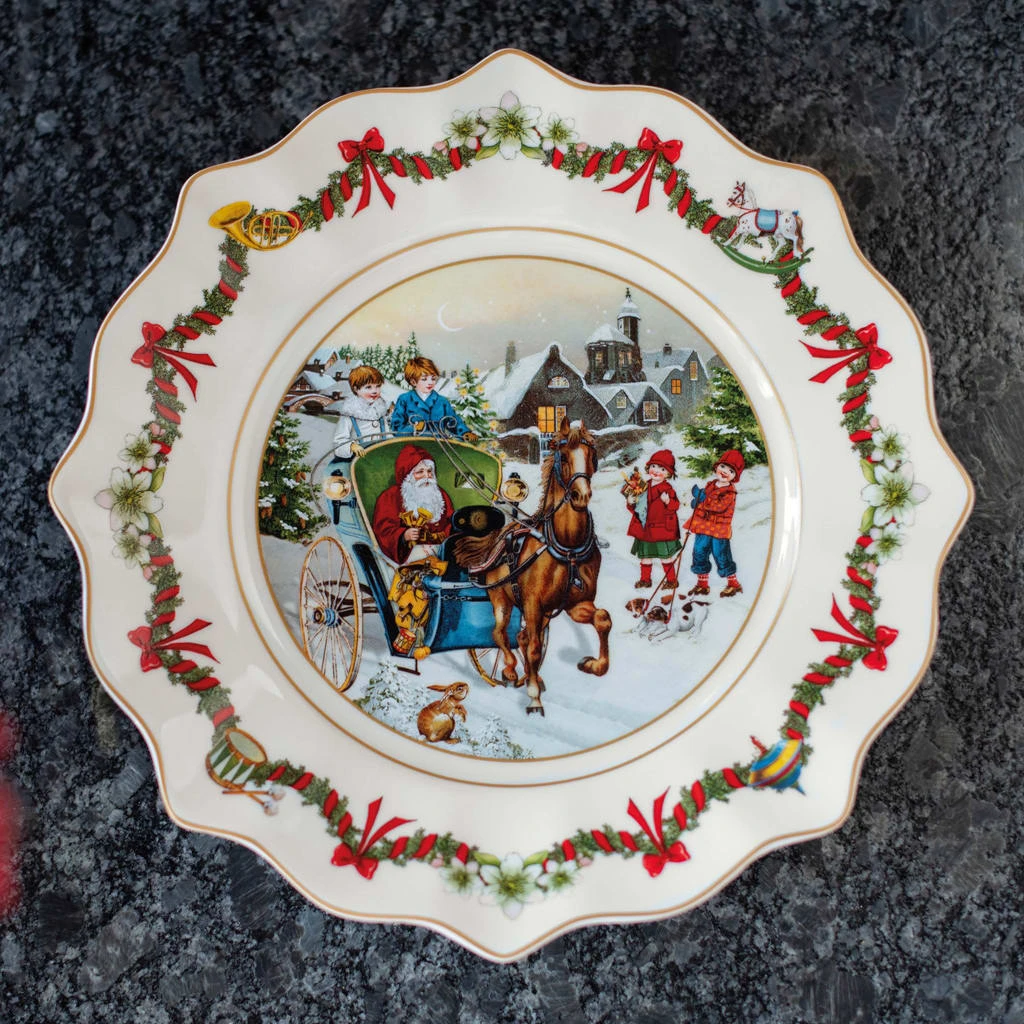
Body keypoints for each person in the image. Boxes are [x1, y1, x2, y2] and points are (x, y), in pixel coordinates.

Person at [372, 444, 454, 564]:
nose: (427, 476)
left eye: (429, 471)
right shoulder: (390, 496)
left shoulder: (440, 494)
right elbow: (383, 530)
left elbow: (451, 522)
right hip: (408, 556)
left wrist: (443, 535)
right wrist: (404, 535)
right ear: (408, 476)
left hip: (441, 551)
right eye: (420, 472)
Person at [684, 449, 745, 597]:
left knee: (721, 554)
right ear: (717, 466)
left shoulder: (730, 492)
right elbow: (701, 507)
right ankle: (702, 584)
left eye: (731, 471)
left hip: (719, 530)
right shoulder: (710, 485)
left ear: (735, 476)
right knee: (699, 552)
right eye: (723, 466)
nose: (725, 472)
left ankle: (733, 584)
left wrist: (702, 500)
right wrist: (694, 519)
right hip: (703, 527)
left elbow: (718, 507)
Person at [624, 449, 682, 590]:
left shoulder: (668, 489)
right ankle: (645, 580)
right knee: (645, 556)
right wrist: (631, 502)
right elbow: (638, 509)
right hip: (645, 530)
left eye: (662, 469)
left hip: (662, 530)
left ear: (668, 474)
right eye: (653, 466)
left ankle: (671, 580)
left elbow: (676, 506)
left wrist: (668, 501)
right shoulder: (642, 487)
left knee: (665, 556)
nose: (656, 471)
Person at [391, 356, 478, 440]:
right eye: (424, 379)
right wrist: (414, 428)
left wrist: (465, 432)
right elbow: (396, 428)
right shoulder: (404, 400)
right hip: (413, 444)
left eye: (433, 378)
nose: (430, 383)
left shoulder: (442, 402)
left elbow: (453, 421)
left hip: (439, 445)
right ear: (413, 382)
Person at [332, 364, 390, 459]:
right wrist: (352, 446)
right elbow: (338, 442)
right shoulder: (350, 413)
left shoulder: (380, 411)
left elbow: (387, 435)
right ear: (356, 389)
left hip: (380, 456)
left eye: (378, 386)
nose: (374, 391)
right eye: (368, 387)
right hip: (358, 459)